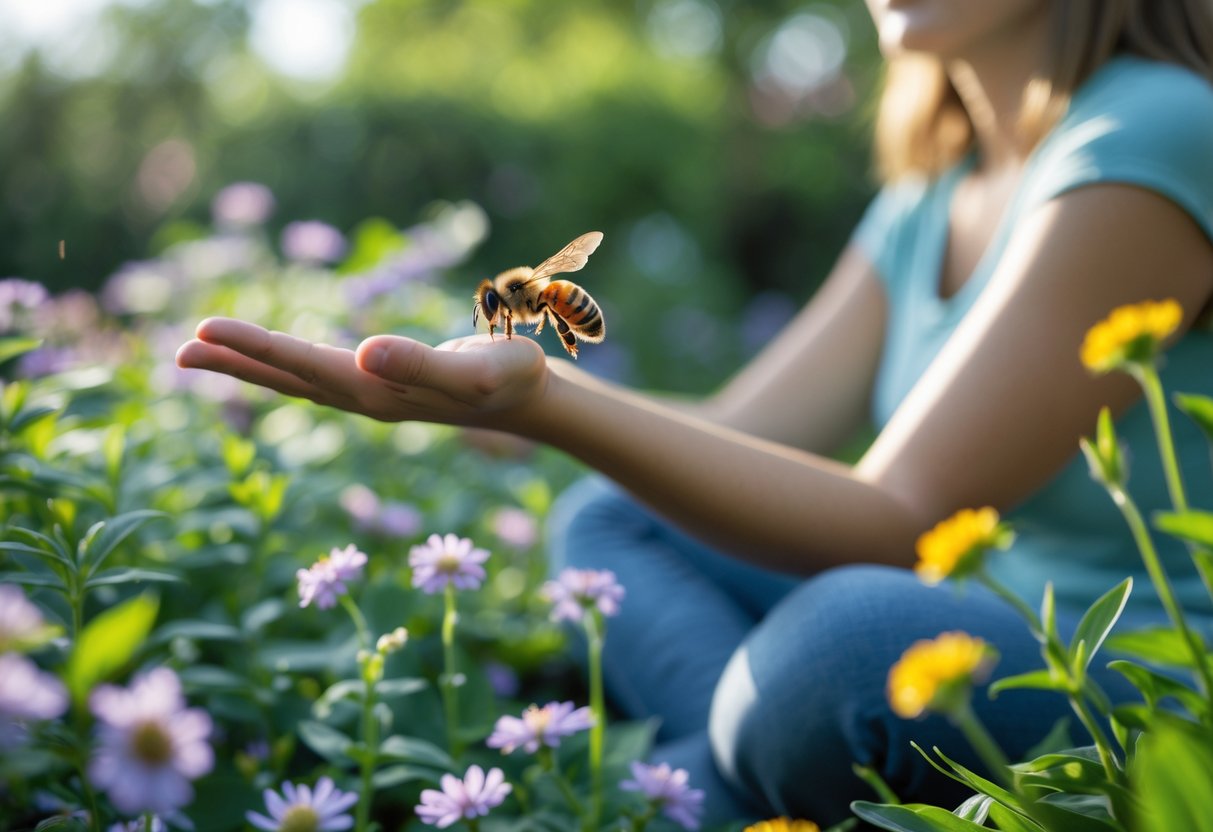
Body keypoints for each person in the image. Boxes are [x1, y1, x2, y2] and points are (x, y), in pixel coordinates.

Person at [177, 0, 1213, 825]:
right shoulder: (931, 194)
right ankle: (749, 784)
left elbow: (902, 515)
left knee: (841, 642)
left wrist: (552, 399)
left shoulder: (1157, 127)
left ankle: (675, 791)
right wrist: (486, 404)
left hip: (1129, 674)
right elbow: (741, 426)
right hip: (966, 628)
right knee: (610, 518)